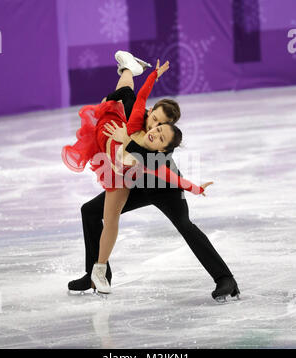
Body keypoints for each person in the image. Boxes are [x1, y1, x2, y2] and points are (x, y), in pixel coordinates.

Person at [67, 50, 240, 301]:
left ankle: (226, 279)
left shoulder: (157, 155)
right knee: (90, 211)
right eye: (154, 120)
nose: (152, 126)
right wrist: (138, 75)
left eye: (159, 126)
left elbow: (169, 177)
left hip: (162, 187)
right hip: (137, 184)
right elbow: (129, 94)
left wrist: (194, 188)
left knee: (185, 226)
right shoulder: (139, 115)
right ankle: (94, 274)